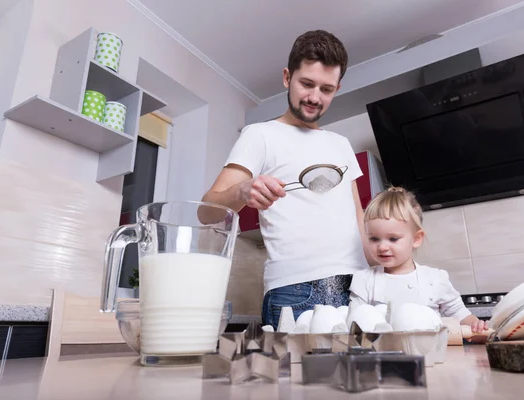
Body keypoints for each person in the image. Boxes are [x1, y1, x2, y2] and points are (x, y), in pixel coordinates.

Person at [201, 30, 374, 330]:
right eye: (306, 83)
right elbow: (206, 211)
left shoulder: (341, 143)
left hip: (357, 286)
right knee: (298, 378)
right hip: (295, 291)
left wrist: (380, 273)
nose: (314, 97)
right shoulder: (259, 135)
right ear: (287, 77)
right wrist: (242, 191)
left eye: (326, 89)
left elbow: (357, 216)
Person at [349, 186, 489, 333]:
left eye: (393, 239)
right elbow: (355, 326)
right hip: (382, 356)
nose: (382, 247)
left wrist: (477, 326)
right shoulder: (364, 280)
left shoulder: (435, 280)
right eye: (374, 238)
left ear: (416, 239)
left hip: (432, 355)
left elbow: (462, 317)